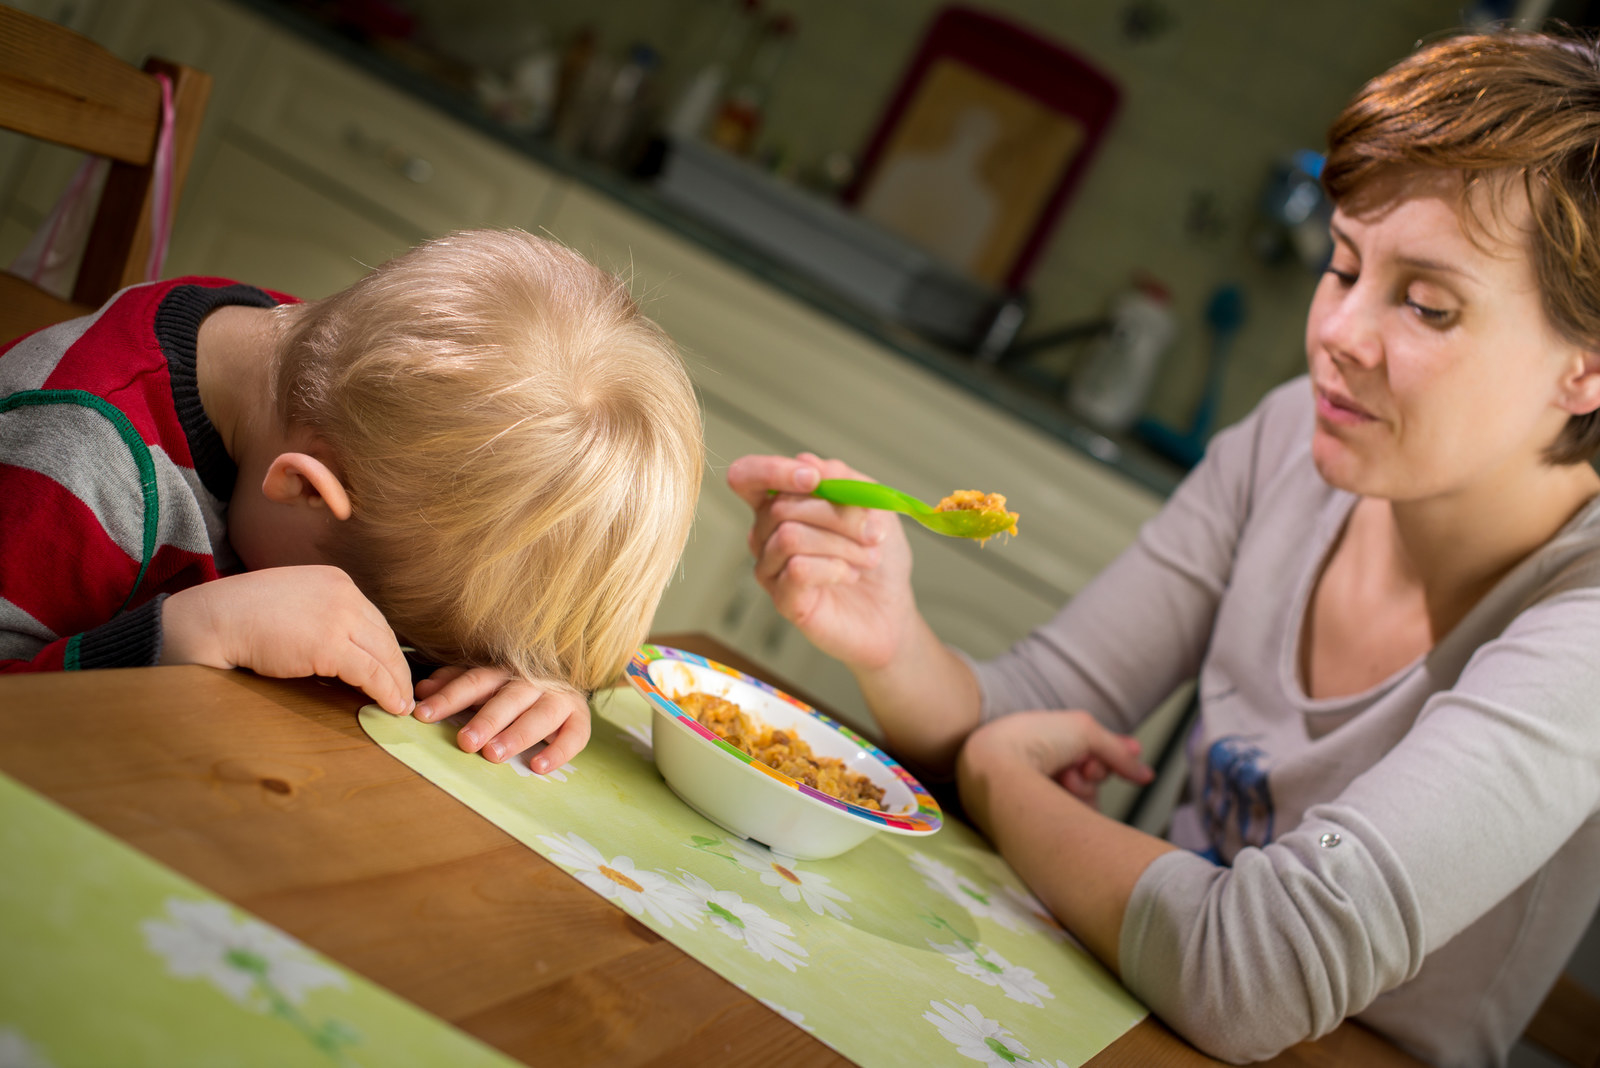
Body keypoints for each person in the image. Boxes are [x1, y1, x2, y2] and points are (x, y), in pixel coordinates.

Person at [727, 28, 1600, 1068]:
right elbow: (1025, 707)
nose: (1336, 334)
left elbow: (1254, 975)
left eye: (1425, 305)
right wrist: (887, 638)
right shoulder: (1291, 438)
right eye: (1343, 266)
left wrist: (1003, 783)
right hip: (1127, 1004)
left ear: (1585, 370)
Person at [1, 229, 702, 773]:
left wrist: (528, 675)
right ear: (304, 487)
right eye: (390, 621)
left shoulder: (337, 379)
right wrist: (186, 634)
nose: (382, 640)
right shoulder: (75, 460)